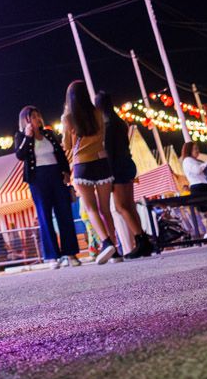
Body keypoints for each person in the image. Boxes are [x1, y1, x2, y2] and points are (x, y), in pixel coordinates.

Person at [59, 84, 119, 263]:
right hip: (102, 163)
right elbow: (103, 137)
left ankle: (106, 242)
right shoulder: (98, 113)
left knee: (91, 209)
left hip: (82, 165)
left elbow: (67, 145)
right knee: (105, 209)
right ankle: (116, 251)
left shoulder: (68, 117)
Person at [15, 104, 79, 266]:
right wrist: (29, 136)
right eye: (33, 117)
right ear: (26, 120)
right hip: (38, 178)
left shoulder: (49, 134)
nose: (38, 119)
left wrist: (66, 172)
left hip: (56, 175)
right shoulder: (21, 137)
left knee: (64, 213)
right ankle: (52, 256)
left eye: (38, 115)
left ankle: (70, 253)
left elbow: (61, 154)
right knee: (44, 216)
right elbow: (20, 155)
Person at [95, 91, 153, 258]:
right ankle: (143, 240)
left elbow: (110, 152)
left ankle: (141, 239)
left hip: (117, 167)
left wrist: (109, 174)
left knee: (121, 207)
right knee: (129, 205)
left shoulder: (107, 125)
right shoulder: (120, 122)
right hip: (127, 163)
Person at [178, 140, 207, 238]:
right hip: (199, 187)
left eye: (197, 148)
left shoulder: (193, 161)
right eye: (195, 149)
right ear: (189, 150)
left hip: (203, 186)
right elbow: (197, 170)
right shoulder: (187, 160)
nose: (197, 151)